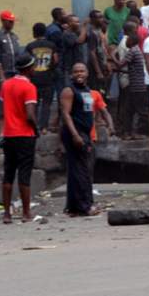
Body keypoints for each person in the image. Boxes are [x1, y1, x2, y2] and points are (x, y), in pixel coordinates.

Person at [0, 53, 39, 223]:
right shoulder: (29, 88)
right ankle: (26, 213)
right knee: (24, 174)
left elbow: (1, 111)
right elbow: (30, 115)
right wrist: (36, 129)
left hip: (8, 134)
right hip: (24, 135)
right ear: (28, 69)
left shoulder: (6, 85)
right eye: (33, 66)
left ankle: (7, 214)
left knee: (8, 174)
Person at [60, 63, 98, 217]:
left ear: (87, 72)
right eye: (76, 71)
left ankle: (74, 206)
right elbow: (66, 114)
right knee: (81, 171)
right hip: (75, 133)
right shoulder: (69, 91)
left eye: (82, 71)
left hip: (85, 132)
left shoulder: (87, 91)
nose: (79, 74)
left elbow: (89, 112)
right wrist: (75, 135)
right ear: (71, 74)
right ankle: (85, 206)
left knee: (79, 170)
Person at [24, 23, 58, 133]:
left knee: (35, 103)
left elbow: (27, 62)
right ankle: (44, 127)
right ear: (45, 32)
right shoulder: (51, 45)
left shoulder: (30, 46)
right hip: (48, 78)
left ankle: (35, 126)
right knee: (46, 104)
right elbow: (56, 60)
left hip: (34, 80)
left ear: (34, 33)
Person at [121, 33, 149, 141]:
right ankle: (130, 133)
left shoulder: (132, 51)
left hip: (136, 87)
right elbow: (132, 69)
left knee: (140, 111)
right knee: (130, 110)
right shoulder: (137, 50)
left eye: (128, 39)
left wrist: (110, 56)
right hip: (137, 86)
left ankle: (148, 132)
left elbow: (121, 64)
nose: (126, 41)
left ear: (132, 40)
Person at [0, 10, 21, 86]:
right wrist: (1, 77)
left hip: (16, 72)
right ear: (3, 21)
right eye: (10, 21)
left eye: (13, 22)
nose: (12, 24)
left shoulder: (14, 36)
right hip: (5, 73)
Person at [60, 14, 90, 87]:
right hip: (70, 67)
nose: (78, 24)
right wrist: (84, 27)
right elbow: (79, 41)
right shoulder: (67, 34)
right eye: (76, 22)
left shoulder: (76, 32)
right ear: (70, 23)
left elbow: (86, 38)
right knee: (70, 87)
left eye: (79, 22)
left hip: (79, 65)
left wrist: (82, 29)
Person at [87, 10, 110, 93]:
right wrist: (98, 71)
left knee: (103, 90)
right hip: (95, 66)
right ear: (92, 19)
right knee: (96, 90)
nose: (102, 19)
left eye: (102, 17)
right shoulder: (92, 33)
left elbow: (103, 49)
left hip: (102, 64)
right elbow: (92, 53)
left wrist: (106, 63)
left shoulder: (99, 31)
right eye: (99, 17)